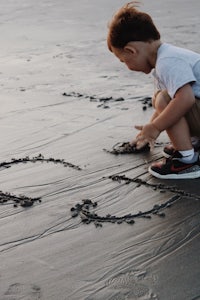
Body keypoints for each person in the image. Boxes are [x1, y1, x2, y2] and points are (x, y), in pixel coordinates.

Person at [107, 1, 200, 179]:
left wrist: (156, 127)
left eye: (123, 61)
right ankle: (190, 144)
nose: (126, 67)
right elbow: (165, 109)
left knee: (163, 98)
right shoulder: (165, 59)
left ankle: (187, 161)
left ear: (131, 50)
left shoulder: (168, 61)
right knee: (162, 98)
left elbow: (185, 99)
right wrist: (147, 133)